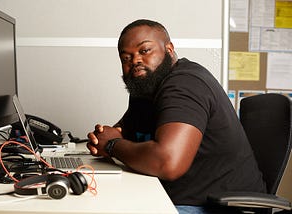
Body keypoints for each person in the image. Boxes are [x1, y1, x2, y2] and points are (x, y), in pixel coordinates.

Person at [87, 19, 266, 214]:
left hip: (217, 207)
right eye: (126, 58)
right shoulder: (145, 88)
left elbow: (168, 162)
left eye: (144, 51)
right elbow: (124, 132)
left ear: (169, 49)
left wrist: (112, 145)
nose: (135, 61)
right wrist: (104, 138)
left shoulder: (184, 85)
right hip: (176, 197)